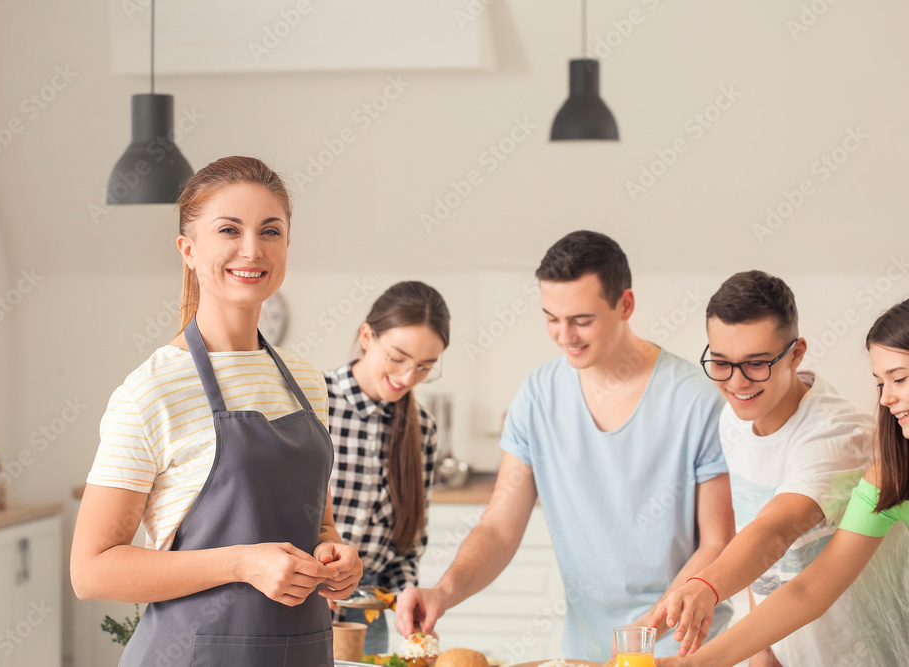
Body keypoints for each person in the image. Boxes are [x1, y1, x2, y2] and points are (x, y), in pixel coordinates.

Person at [70, 156, 363, 667]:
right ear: (188, 249)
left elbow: (318, 523)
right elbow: (91, 571)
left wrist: (335, 555)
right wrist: (242, 563)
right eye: (229, 229)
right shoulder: (151, 392)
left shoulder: (306, 382)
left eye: (270, 231)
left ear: (287, 246)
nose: (253, 249)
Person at [396, 231, 736, 661]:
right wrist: (444, 591)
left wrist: (643, 637)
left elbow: (717, 544)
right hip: (585, 653)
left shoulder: (695, 400)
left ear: (625, 305)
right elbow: (500, 526)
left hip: (683, 650)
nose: (564, 335)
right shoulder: (538, 397)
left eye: (581, 319)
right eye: (551, 318)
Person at [648, 272, 909, 665]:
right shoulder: (889, 478)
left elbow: (778, 527)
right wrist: (721, 657)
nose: (887, 398)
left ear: (796, 353)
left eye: (900, 379)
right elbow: (807, 588)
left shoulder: (840, 437)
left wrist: (706, 585)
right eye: (879, 383)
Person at [325, 281, 449, 653]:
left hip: (369, 609)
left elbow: (407, 545)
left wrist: (406, 596)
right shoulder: (314, 400)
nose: (408, 378)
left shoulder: (421, 428)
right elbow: (273, 511)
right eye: (398, 357)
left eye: (424, 367)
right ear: (367, 336)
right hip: (303, 599)